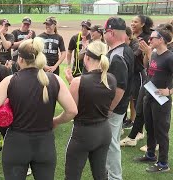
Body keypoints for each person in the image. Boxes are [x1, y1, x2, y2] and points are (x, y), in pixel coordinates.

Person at [0, 37, 78, 180]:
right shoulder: (55, 80)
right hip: (45, 143)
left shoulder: (10, 81)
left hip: (17, 143)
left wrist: (4, 124)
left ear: (20, 59)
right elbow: (72, 111)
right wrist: (56, 120)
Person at [64, 41, 117, 180]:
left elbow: (71, 110)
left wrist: (56, 121)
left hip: (83, 133)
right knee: (100, 174)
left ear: (87, 58)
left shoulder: (79, 81)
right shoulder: (111, 79)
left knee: (72, 175)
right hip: (104, 131)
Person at [134, 24, 173, 173]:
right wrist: (147, 53)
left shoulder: (170, 57)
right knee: (150, 127)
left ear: (161, 40)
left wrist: (169, 91)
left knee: (161, 132)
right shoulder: (154, 53)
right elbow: (148, 67)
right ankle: (150, 154)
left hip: (161, 101)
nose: (149, 39)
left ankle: (163, 163)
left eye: (152, 38)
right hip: (149, 96)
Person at [103, 17, 134, 180]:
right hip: (119, 106)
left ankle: (115, 177)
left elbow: (120, 88)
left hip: (115, 107)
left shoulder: (118, 55)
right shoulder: (123, 49)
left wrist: (109, 109)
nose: (103, 35)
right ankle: (111, 174)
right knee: (110, 142)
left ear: (112, 32)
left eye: (105, 32)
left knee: (111, 143)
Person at [122, 15, 153, 129]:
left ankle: (134, 122)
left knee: (135, 98)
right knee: (128, 96)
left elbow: (136, 55)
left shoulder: (145, 37)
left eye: (136, 22)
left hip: (138, 72)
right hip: (128, 72)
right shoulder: (133, 36)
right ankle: (130, 120)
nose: (133, 24)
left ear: (143, 24)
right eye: (132, 21)